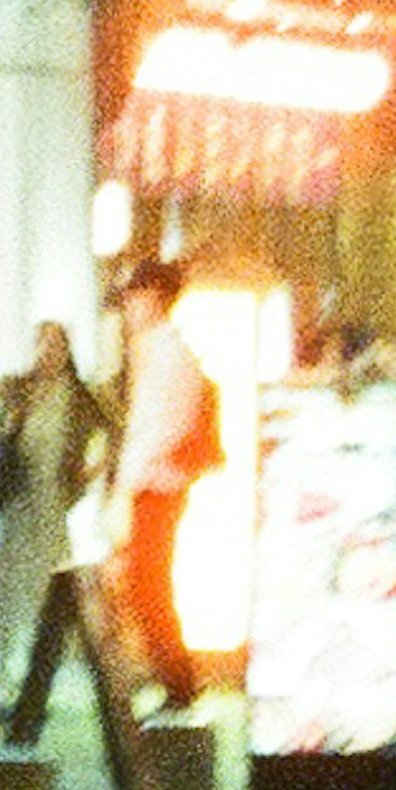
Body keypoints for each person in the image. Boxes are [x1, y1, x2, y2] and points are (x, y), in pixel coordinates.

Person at [112, 258, 223, 711]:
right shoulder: (169, 349)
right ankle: (175, 679)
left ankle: (177, 681)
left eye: (133, 297)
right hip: (162, 484)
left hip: (155, 485)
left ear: (153, 298)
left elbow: (153, 430)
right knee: (150, 584)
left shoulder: (161, 352)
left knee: (148, 586)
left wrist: (124, 487)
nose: (128, 307)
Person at [0, 316, 110, 697]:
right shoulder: (18, 387)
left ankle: (47, 664)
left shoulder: (78, 393)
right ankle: (7, 667)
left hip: (54, 499)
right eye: (43, 343)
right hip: (19, 498)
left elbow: (112, 430)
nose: (49, 351)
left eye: (57, 344)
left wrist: (92, 470)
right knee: (13, 580)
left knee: (51, 579)